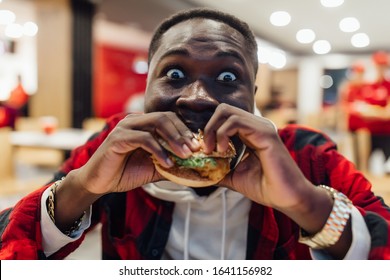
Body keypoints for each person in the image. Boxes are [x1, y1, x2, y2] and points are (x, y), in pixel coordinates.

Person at [1, 8, 390, 260]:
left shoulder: (306, 155)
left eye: (226, 77)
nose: (197, 99)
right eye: (174, 74)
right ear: (147, 90)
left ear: (252, 99)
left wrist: (306, 205)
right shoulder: (116, 145)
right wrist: (84, 187)